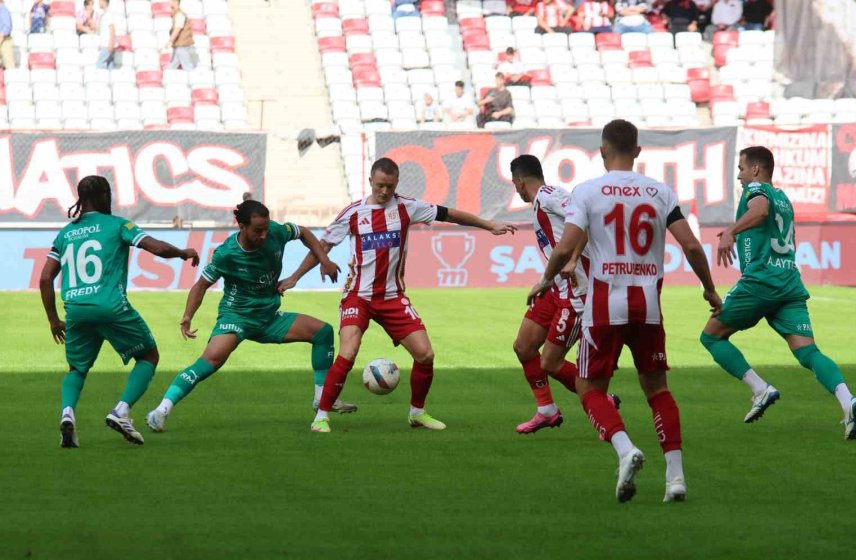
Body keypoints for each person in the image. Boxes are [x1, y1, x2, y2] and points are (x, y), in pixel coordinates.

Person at [528, 119, 721, 503]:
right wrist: (710, 289)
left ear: (602, 152)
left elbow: (565, 249)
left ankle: (625, 449)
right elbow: (693, 246)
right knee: (658, 390)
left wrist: (546, 280)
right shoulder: (660, 191)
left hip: (605, 306)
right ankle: (676, 477)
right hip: (648, 304)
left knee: (589, 388)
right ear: (637, 151)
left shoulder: (587, 191)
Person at [279, 157, 518, 433]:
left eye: (390, 187)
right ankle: (321, 416)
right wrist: (294, 278)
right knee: (349, 351)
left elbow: (449, 214)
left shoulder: (407, 207)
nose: (384, 192)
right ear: (370, 181)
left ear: (396, 184)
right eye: (380, 185)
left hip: (392, 297)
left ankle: (417, 413)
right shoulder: (353, 213)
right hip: (359, 295)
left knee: (425, 354)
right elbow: (323, 245)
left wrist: (488, 225)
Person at [700, 146, 856, 440]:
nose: (738, 176)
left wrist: (731, 231)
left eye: (740, 168)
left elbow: (760, 210)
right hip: (789, 282)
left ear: (755, 169)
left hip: (761, 281)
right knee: (808, 351)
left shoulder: (755, 189)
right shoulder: (784, 199)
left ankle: (760, 389)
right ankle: (848, 402)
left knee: (711, 336)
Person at [144, 199, 352, 432]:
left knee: (323, 332)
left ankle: (321, 399)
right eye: (257, 231)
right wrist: (187, 315)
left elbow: (303, 232)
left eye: (265, 228)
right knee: (209, 362)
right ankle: (161, 410)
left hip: (269, 316)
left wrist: (321, 261)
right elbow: (201, 285)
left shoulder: (275, 231)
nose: (264, 235)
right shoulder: (227, 253)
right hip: (237, 316)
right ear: (241, 227)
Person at [39, 176, 200, 448]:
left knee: (77, 368)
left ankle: (67, 415)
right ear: (102, 195)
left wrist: (54, 320)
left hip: (76, 309)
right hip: (110, 306)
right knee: (149, 355)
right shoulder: (118, 225)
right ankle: (121, 411)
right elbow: (157, 247)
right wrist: (183, 252)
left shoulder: (65, 233)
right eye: (108, 193)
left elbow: (45, 279)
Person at [510, 155, 621, 434]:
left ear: (519, 181)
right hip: (556, 288)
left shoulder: (549, 195)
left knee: (550, 362)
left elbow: (587, 218)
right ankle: (546, 410)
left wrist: (572, 259)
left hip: (575, 291)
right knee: (524, 346)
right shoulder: (540, 203)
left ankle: (602, 402)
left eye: (515, 184)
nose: (516, 189)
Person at [166, 0, 196, 71]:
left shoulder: (179, 15)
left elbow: (177, 30)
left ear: (175, 2)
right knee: (171, 67)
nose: (170, 3)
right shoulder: (179, 14)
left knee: (189, 67)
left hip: (182, 47)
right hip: (183, 46)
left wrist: (170, 41)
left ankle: (194, 81)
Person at [96, 0, 115, 69]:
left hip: (107, 46)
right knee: (109, 68)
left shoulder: (108, 15)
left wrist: (110, 44)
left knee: (99, 66)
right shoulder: (104, 15)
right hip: (105, 45)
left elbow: (112, 29)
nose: (98, 2)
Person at [0, 0, 14, 70]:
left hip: (4, 41)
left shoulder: (3, 10)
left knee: (8, 65)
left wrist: (1, 37)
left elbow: (7, 27)